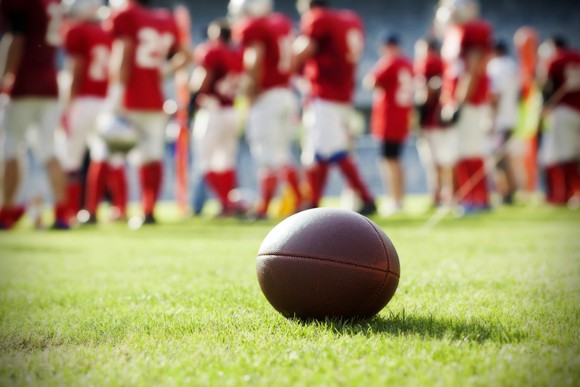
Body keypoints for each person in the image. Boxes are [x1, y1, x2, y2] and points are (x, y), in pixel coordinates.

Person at [107, 0, 190, 226]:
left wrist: (116, 93)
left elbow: (123, 54)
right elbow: (186, 55)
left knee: (111, 153)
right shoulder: (165, 18)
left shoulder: (125, 14)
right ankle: (149, 209)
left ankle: (119, 208)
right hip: (155, 99)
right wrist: (161, 72)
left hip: (130, 96)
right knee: (152, 155)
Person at [293, 0, 376, 215]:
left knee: (330, 150)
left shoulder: (318, 18)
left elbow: (304, 50)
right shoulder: (349, 19)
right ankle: (313, 201)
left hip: (325, 94)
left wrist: (287, 68)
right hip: (342, 94)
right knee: (318, 149)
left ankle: (365, 198)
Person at [0, 0, 69, 229]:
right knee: (48, 149)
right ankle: (61, 212)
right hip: (51, 81)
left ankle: (7, 210)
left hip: (26, 82)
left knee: (11, 147)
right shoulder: (54, 3)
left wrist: (4, 77)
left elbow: (17, 39)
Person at [230, 0, 303, 219]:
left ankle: (264, 207)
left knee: (265, 155)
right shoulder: (281, 23)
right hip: (286, 93)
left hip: (268, 97)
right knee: (281, 155)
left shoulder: (254, 27)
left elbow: (254, 59)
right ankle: (300, 199)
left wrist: (251, 91)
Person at [61, 0, 128, 224]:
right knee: (108, 156)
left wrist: (67, 105)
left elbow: (76, 70)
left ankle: (71, 211)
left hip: (83, 100)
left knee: (72, 158)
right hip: (106, 100)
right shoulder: (108, 31)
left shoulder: (76, 30)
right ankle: (116, 208)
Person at [436, 0, 493, 213]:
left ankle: (478, 198)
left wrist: (460, 101)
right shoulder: (453, 33)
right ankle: (470, 198)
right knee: (459, 152)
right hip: (456, 100)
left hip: (469, 101)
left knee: (471, 151)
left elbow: (473, 67)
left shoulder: (473, 30)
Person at [190, 19, 243, 216]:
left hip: (212, 111)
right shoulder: (238, 55)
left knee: (203, 162)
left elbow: (203, 83)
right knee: (225, 162)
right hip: (231, 110)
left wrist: (191, 99)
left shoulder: (213, 52)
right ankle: (228, 203)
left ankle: (226, 202)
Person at [363, 32, 414, 216]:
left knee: (389, 161)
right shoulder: (407, 63)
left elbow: (370, 81)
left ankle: (395, 199)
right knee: (396, 160)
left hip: (389, 118)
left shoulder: (390, 62)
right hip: (402, 117)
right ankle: (399, 198)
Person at [413, 37, 456, 208]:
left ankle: (438, 195)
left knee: (435, 161)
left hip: (432, 119)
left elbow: (426, 92)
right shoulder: (445, 62)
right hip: (444, 119)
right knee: (444, 160)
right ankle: (446, 194)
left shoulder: (428, 61)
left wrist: (418, 117)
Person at [538, 36, 580, 206]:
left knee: (562, 155)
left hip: (563, 110)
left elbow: (547, 86)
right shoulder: (576, 56)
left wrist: (544, 108)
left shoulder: (555, 60)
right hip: (577, 109)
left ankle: (567, 193)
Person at [486, 39, 520, 204]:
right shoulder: (512, 65)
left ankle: (507, 194)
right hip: (511, 117)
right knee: (504, 156)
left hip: (500, 119)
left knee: (499, 159)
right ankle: (510, 192)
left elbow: (495, 95)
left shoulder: (496, 66)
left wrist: (491, 118)